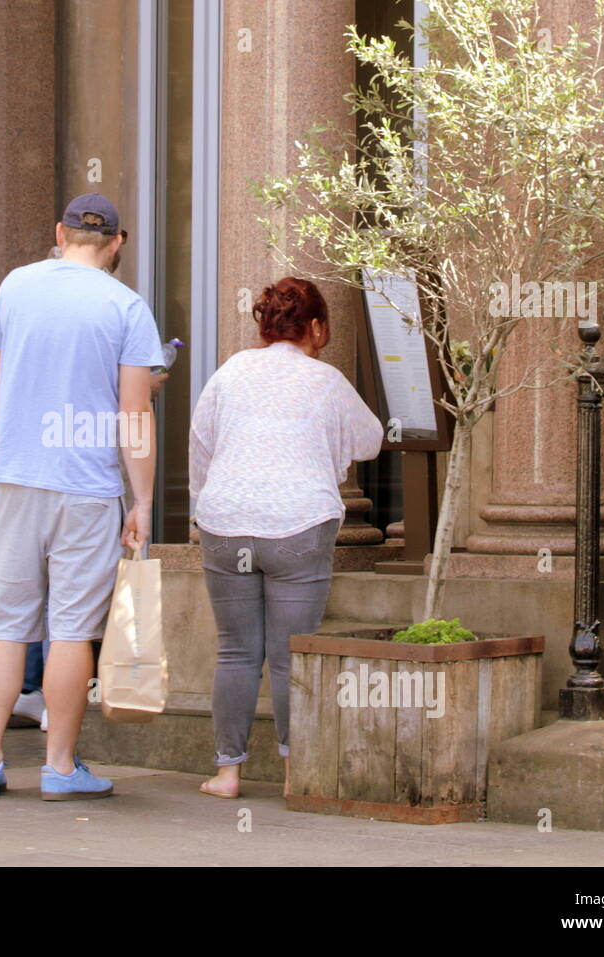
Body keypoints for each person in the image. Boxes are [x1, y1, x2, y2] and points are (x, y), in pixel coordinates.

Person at [0, 193, 161, 800]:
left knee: (5, 626)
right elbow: (135, 414)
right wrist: (144, 500)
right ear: (117, 243)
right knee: (72, 631)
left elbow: (7, 369)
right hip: (87, 485)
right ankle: (57, 767)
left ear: (60, 231)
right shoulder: (126, 306)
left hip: (19, 475)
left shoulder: (15, 287)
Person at [189, 277, 382, 798]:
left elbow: (201, 449)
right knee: (291, 653)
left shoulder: (229, 373)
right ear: (316, 327)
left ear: (264, 325)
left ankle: (228, 773)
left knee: (236, 652)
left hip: (226, 525)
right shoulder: (326, 380)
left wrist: (209, 506)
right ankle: (297, 775)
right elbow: (371, 439)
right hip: (299, 524)